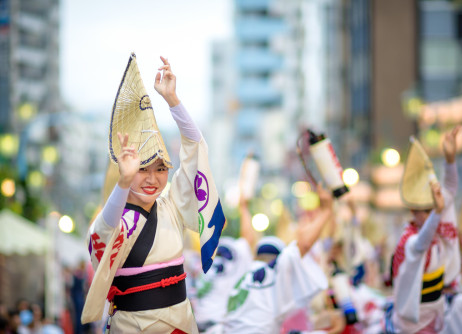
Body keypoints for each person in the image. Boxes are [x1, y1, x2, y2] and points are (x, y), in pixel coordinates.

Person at [81, 54, 225, 334]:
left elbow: (195, 151)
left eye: (160, 169)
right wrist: (123, 183)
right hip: (132, 326)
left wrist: (173, 100)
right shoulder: (118, 219)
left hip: (181, 321)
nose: (152, 179)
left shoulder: (170, 203)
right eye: (141, 169)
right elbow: (104, 232)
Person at [220, 183, 333, 333]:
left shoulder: (244, 274)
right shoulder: (274, 271)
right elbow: (304, 245)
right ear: (278, 258)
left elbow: (247, 238)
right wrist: (326, 211)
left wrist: (243, 207)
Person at [386, 127, 461, 333]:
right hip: (412, 324)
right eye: (424, 211)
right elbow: (422, 243)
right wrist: (436, 212)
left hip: (436, 315)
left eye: (432, 210)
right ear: (412, 210)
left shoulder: (436, 223)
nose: (430, 216)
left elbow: (451, 189)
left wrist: (450, 160)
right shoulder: (407, 240)